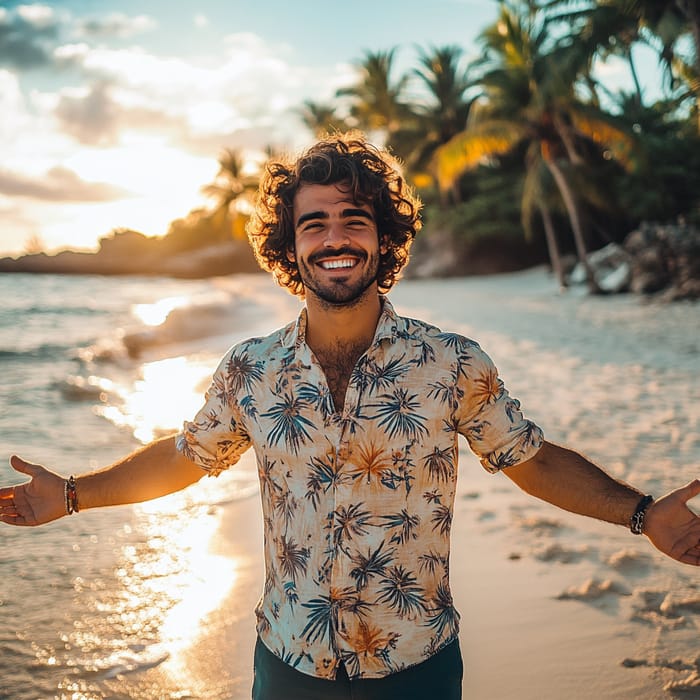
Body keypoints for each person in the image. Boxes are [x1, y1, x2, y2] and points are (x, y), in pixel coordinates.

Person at [1, 132, 699, 700]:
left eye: (353, 221)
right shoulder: (252, 368)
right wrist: (71, 496)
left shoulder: (451, 362)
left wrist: (641, 514)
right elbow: (186, 455)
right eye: (315, 224)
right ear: (290, 247)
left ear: (384, 239)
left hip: (416, 666)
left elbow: (531, 458)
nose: (335, 239)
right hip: (288, 664)